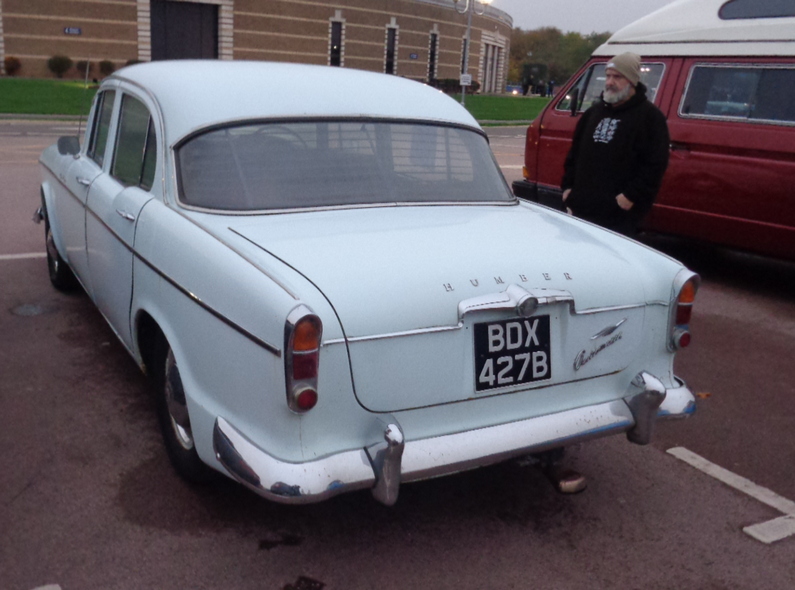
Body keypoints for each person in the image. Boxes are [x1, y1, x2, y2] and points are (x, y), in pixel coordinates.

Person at [561, 52, 669, 236]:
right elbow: (575, 153)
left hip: (619, 215)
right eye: (608, 76)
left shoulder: (650, 118)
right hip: (582, 209)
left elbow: (655, 164)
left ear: (632, 80)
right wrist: (568, 188)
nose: (610, 82)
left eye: (617, 77)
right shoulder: (593, 113)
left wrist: (631, 196)